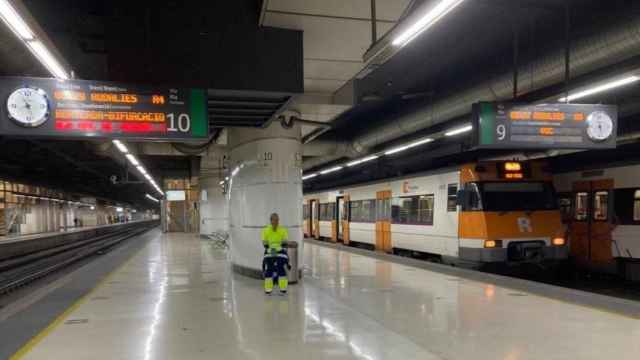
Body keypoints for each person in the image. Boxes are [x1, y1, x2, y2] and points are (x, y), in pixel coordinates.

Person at [261, 213, 290, 295]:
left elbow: (284, 241)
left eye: (277, 220)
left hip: (278, 251)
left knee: (279, 268)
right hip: (272, 251)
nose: (276, 222)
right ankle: (269, 289)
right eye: (274, 220)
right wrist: (273, 248)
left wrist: (281, 245)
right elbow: (265, 243)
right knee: (270, 269)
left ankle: (282, 289)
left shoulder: (282, 230)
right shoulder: (266, 230)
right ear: (271, 220)